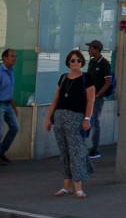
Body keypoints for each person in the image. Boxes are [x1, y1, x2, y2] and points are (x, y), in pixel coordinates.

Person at [48, 49, 94, 198]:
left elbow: (90, 100)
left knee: (76, 152)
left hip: (76, 118)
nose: (76, 63)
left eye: (78, 60)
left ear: (82, 62)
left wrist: (87, 118)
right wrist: (48, 117)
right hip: (60, 117)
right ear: (68, 62)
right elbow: (55, 99)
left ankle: (78, 187)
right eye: (73, 60)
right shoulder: (63, 78)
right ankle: (66, 186)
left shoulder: (86, 78)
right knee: (64, 153)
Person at [84, 38, 114, 161]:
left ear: (96, 49)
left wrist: (98, 94)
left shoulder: (104, 63)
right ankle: (83, 145)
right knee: (86, 119)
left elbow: (108, 82)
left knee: (94, 121)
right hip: (88, 96)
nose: (88, 50)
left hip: (97, 98)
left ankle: (95, 149)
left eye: (90, 48)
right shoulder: (92, 62)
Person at [0, 47, 18, 164]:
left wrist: (14, 107)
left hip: (8, 104)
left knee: (15, 128)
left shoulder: (11, 72)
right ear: (4, 58)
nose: (14, 58)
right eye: (12, 56)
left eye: (15, 56)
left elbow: (9, 92)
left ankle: (1, 152)